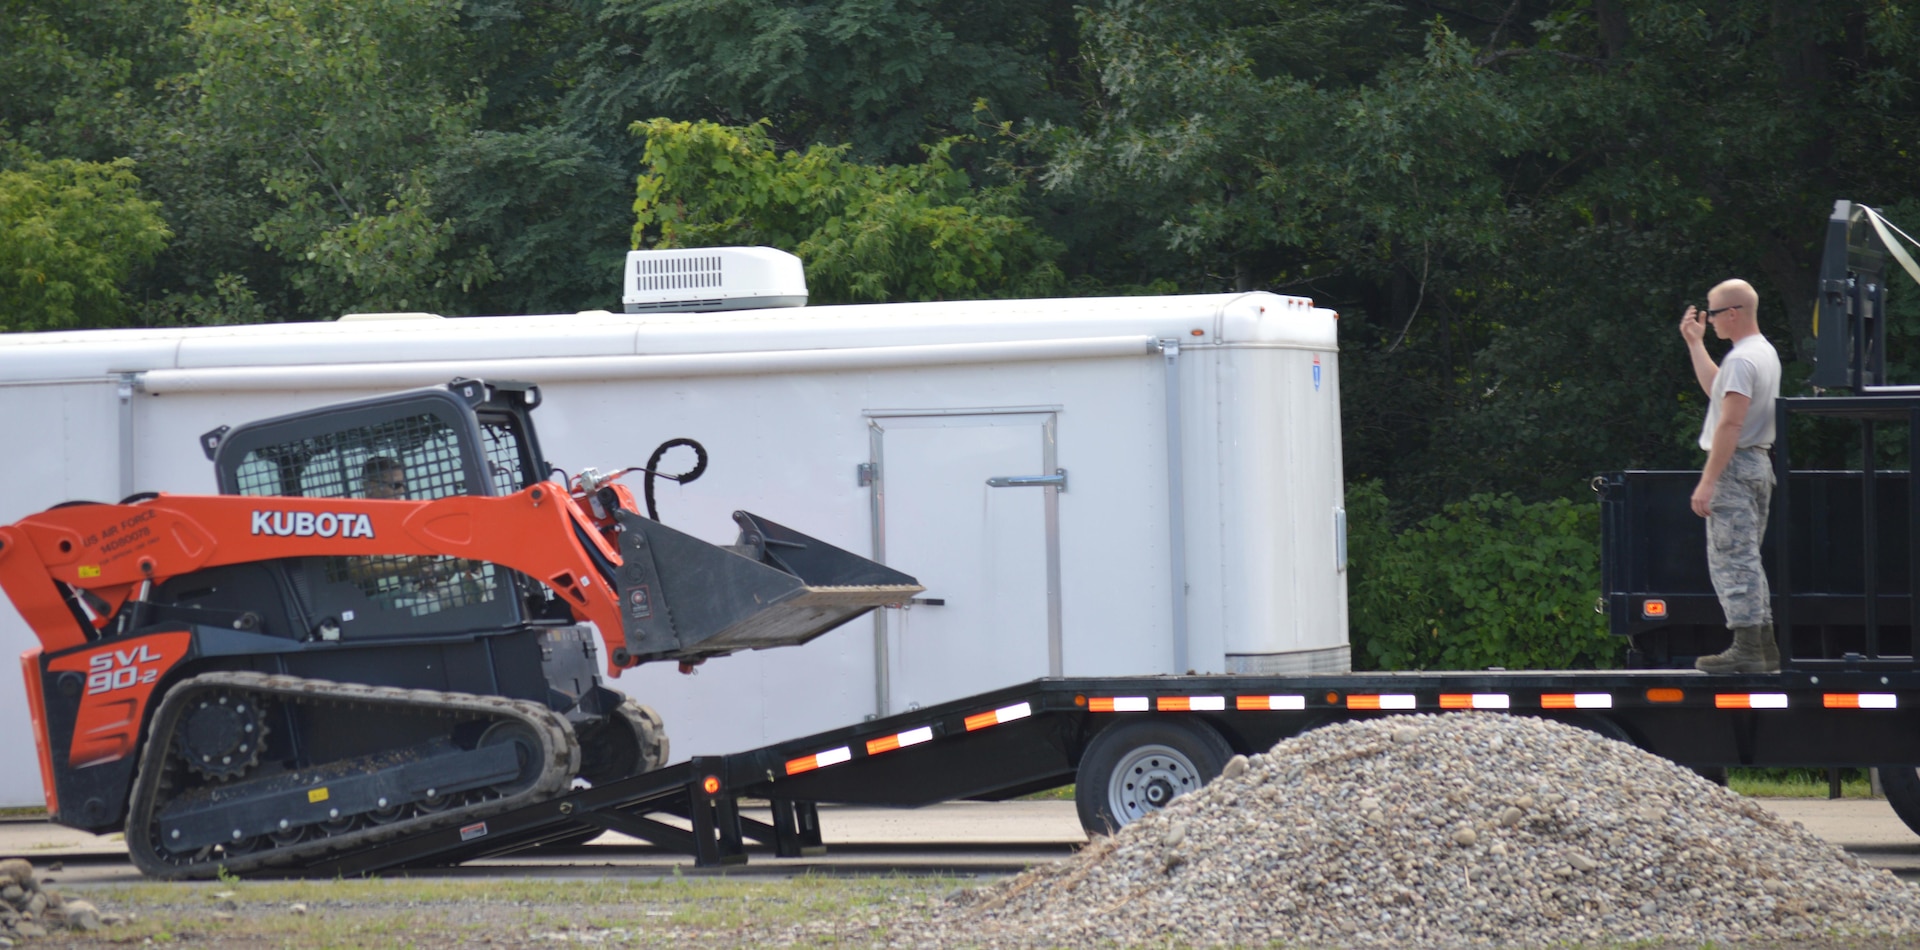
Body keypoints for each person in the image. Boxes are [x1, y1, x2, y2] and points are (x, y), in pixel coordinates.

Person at [1679, 278, 1782, 674]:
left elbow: (1729, 425)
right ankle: (1765, 646)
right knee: (1748, 559)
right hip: (1757, 464)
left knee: (1732, 560)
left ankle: (1747, 648)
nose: (1711, 320)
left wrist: (1708, 481)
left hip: (1735, 467)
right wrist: (1695, 343)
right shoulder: (1762, 353)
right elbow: (1718, 392)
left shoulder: (1742, 359)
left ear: (1733, 313)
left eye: (1714, 313)